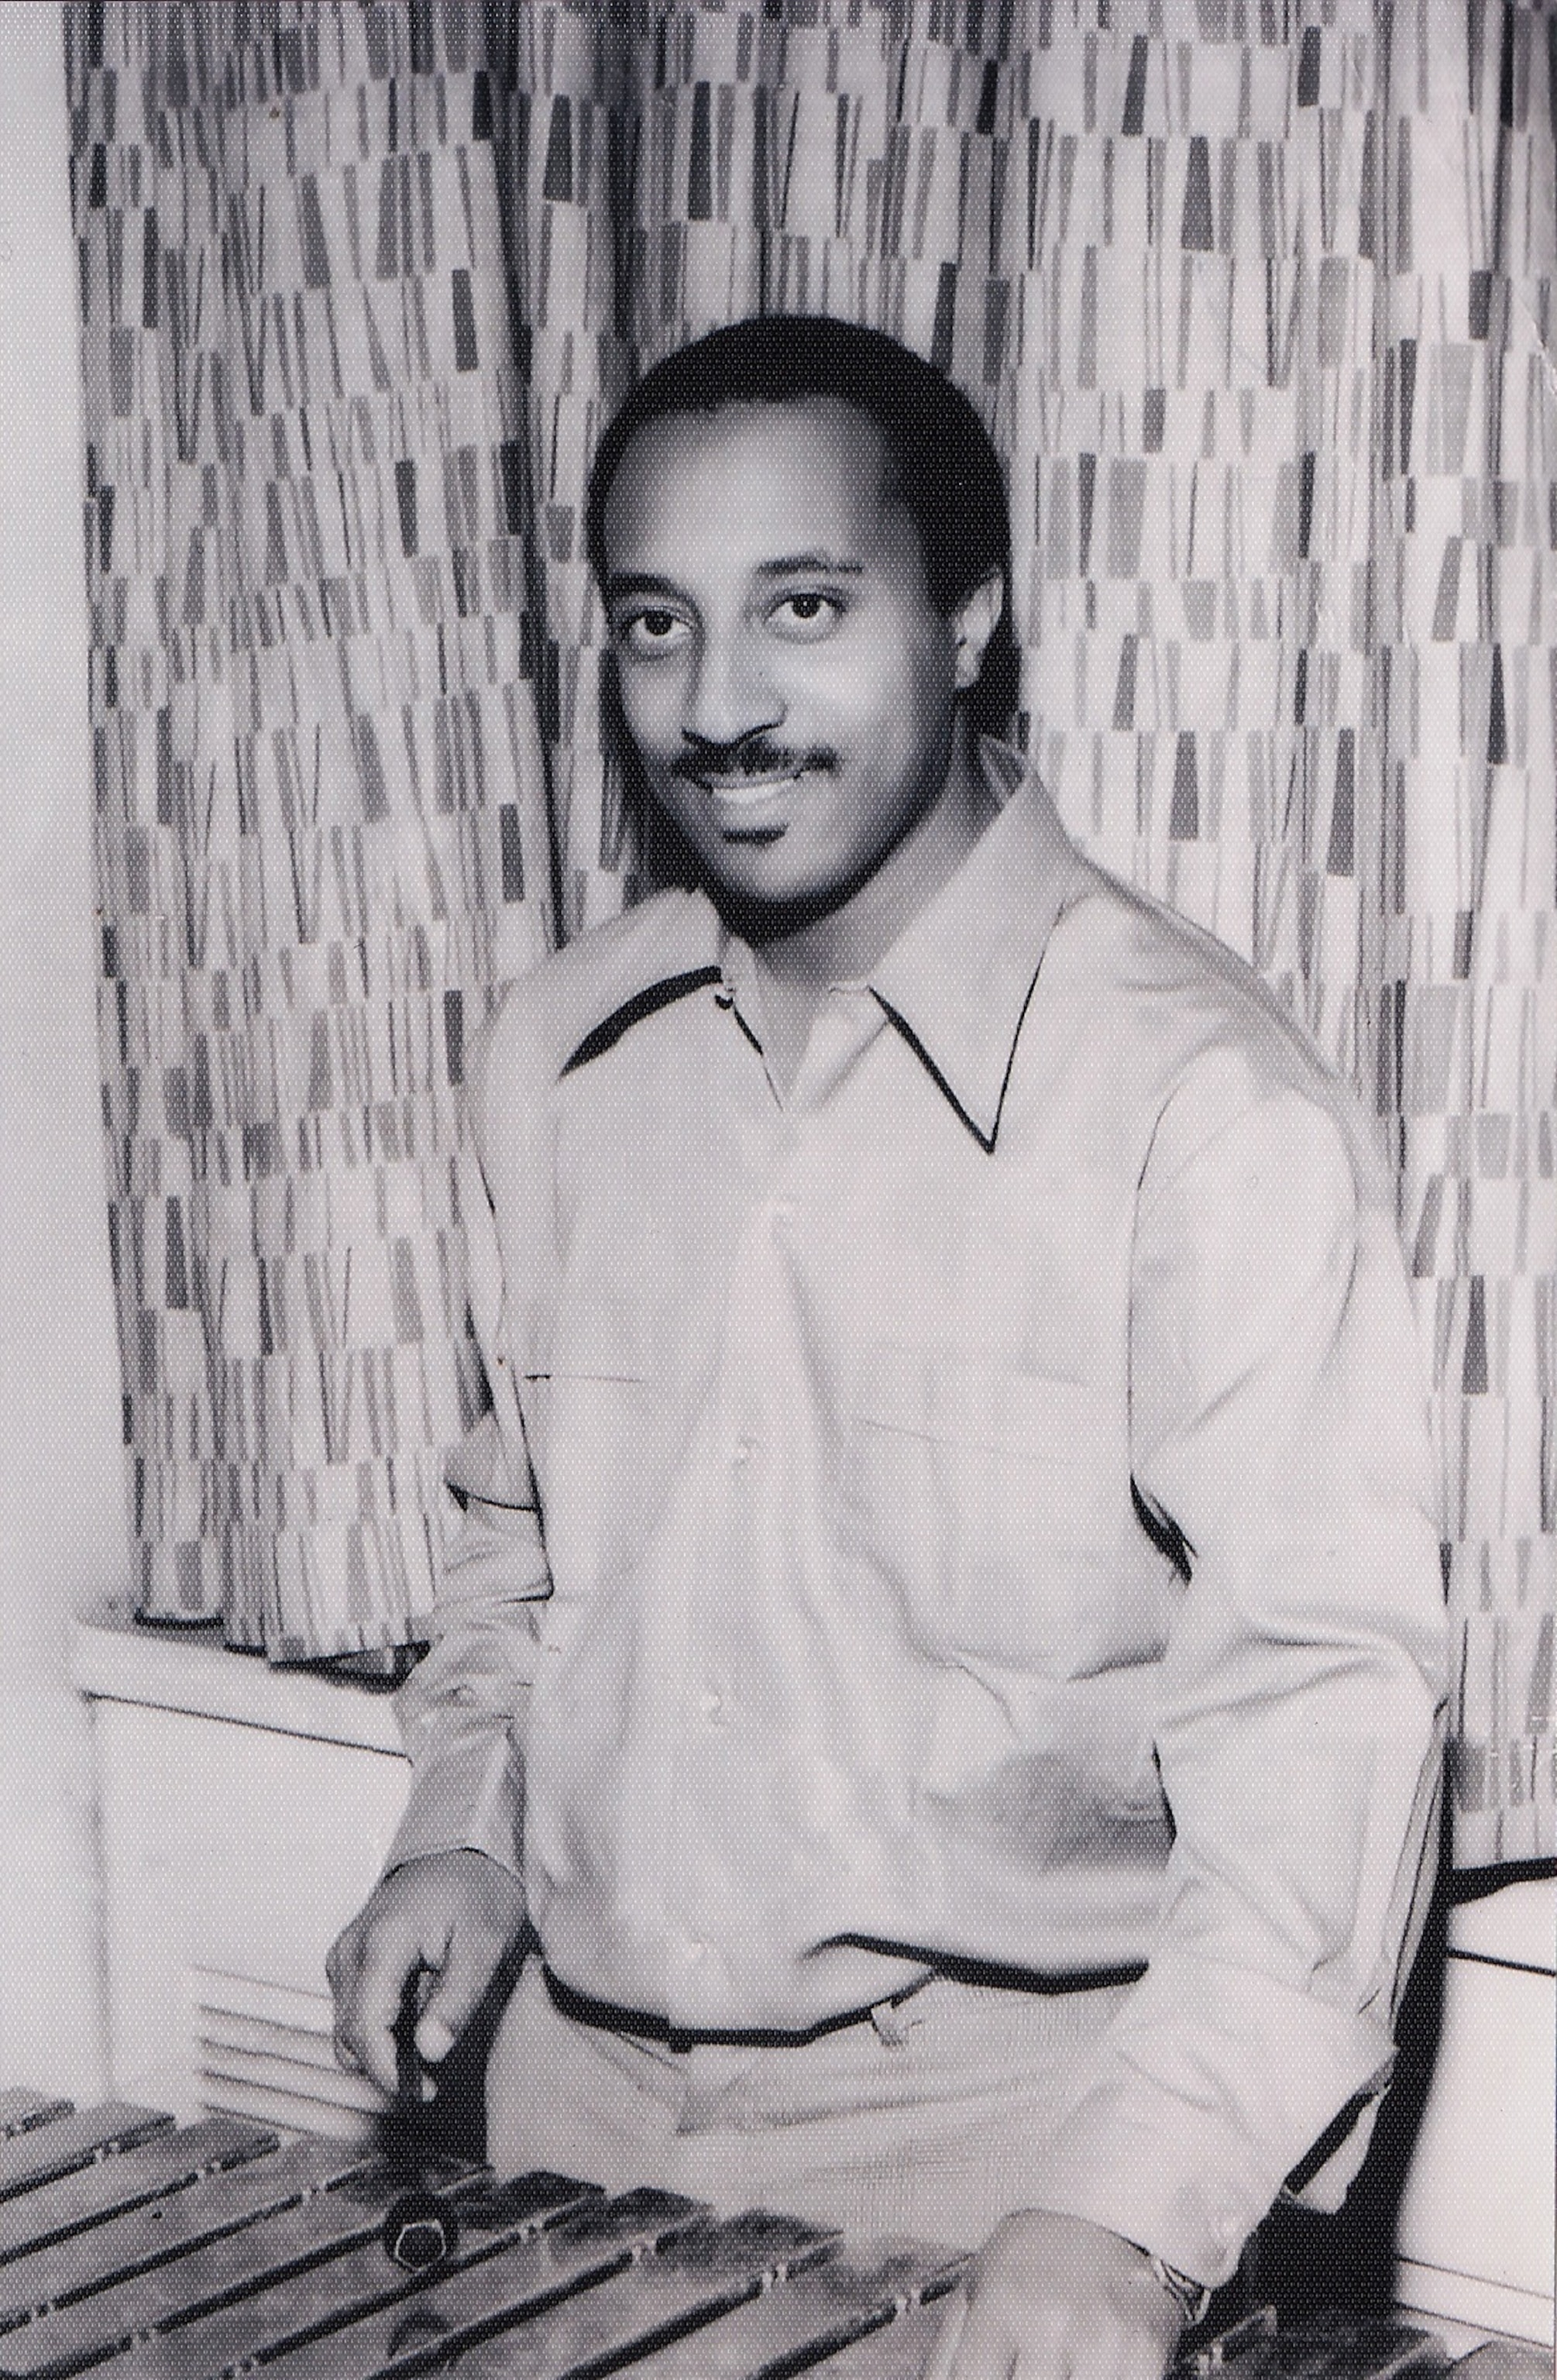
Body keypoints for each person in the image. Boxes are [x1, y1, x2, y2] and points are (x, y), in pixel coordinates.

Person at [328, 317, 1447, 2380]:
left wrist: (1129, 2212)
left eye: (804, 608)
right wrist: (465, 1826)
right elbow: (525, 1552)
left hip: (1008, 2177)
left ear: (968, 620)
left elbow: (1326, 1716)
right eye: (655, 623)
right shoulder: (552, 1058)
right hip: (564, 2105)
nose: (719, 708)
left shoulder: (1201, 1104)